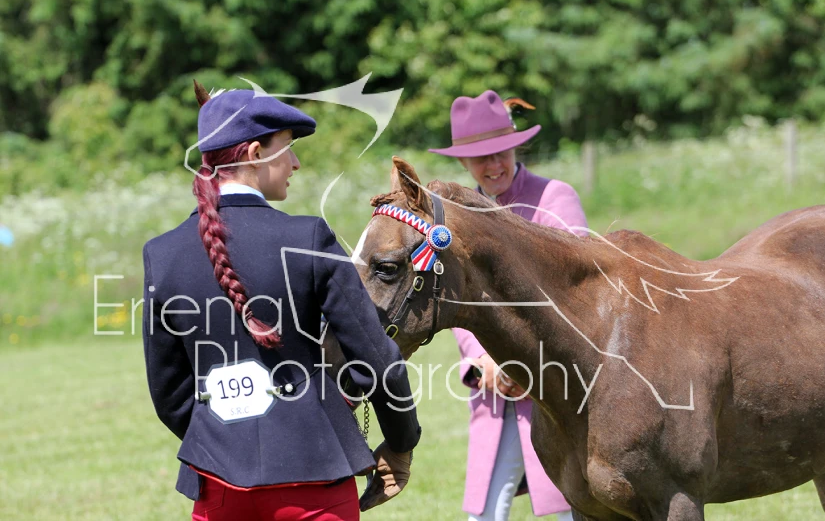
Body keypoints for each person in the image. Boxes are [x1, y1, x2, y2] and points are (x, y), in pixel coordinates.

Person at [142, 83, 421, 521]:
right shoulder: (308, 237)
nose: (295, 163)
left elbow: (170, 394)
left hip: (219, 490)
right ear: (255, 153)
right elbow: (376, 359)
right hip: (316, 480)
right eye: (288, 149)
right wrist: (401, 443)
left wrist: (224, 442)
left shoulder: (161, 254)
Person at [429, 90, 588, 521]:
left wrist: (525, 362)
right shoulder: (454, 212)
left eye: (501, 151)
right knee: (484, 513)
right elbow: (456, 294)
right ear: (463, 161)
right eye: (481, 157)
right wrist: (482, 359)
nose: (494, 165)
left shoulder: (555, 197)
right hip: (494, 385)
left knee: (572, 508)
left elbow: (573, 289)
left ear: (516, 145)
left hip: (555, 383)